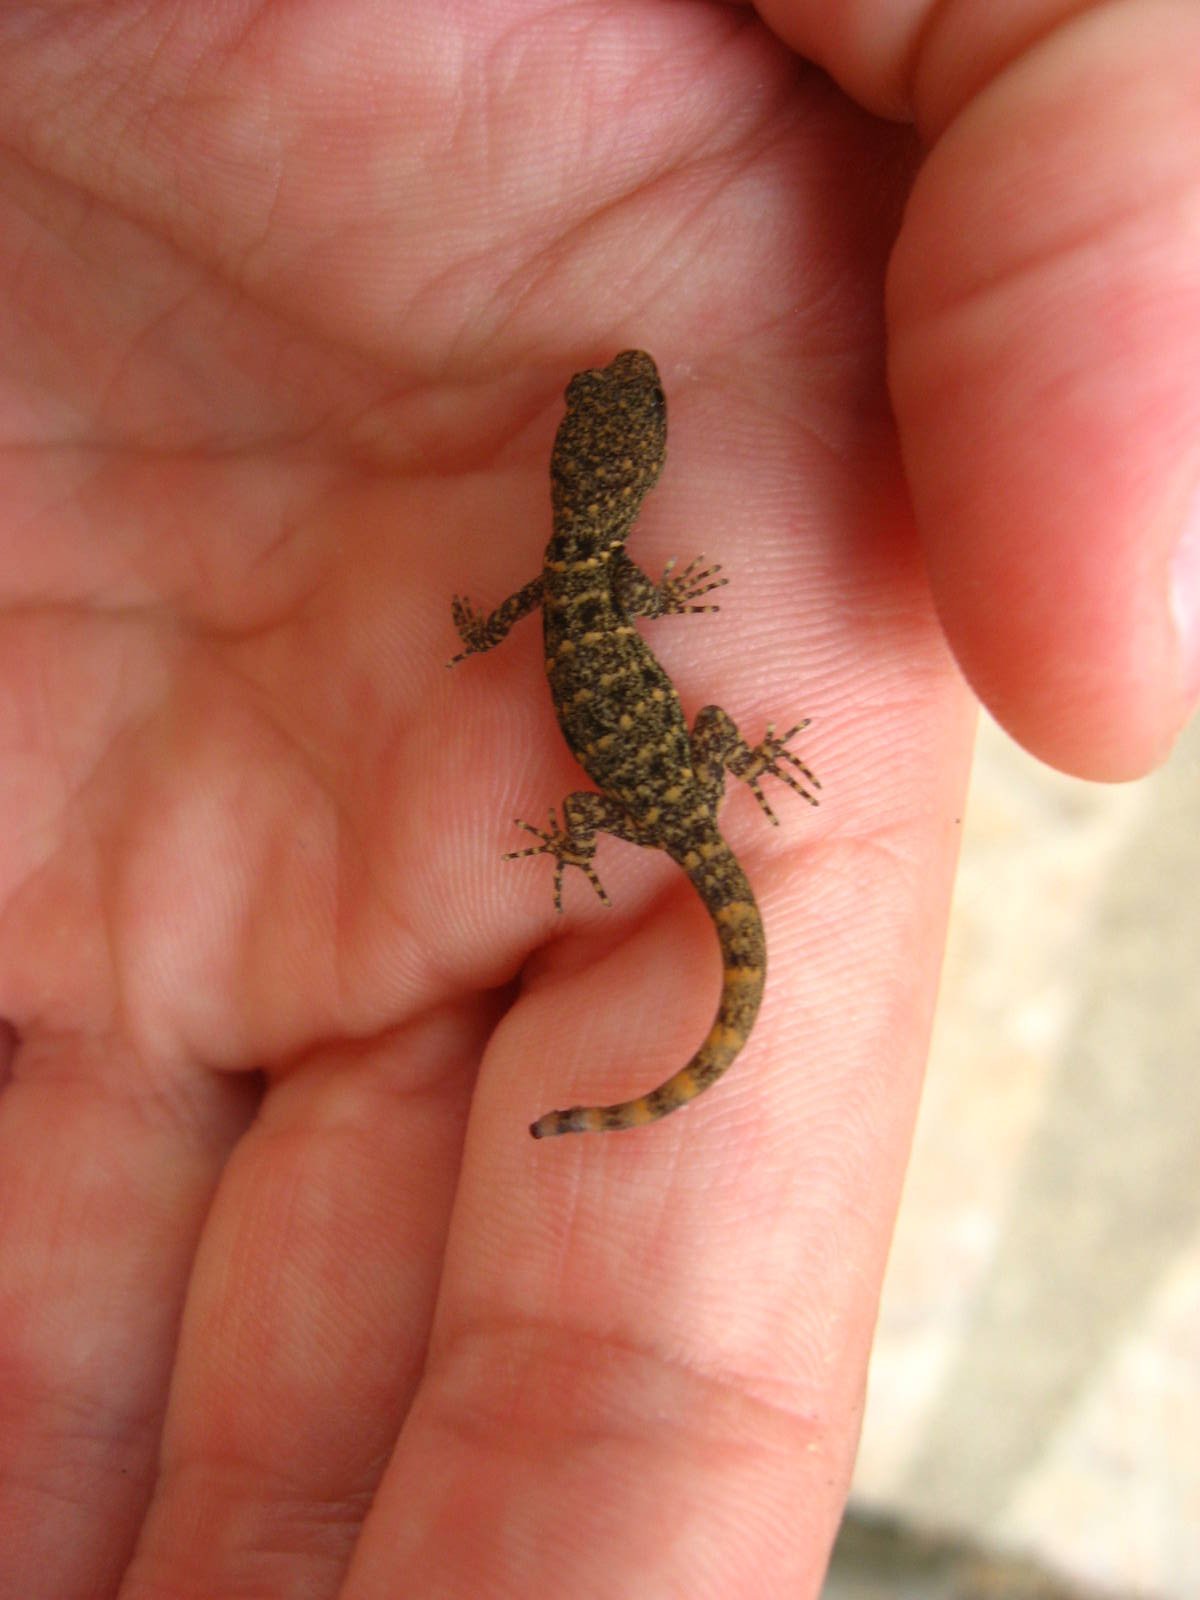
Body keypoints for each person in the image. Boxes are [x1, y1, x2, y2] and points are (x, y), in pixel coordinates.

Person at [0, 4, 1195, 1595]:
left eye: (618, 417)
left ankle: (651, 1072)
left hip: (643, 797)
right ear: (611, 475)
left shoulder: (574, 579)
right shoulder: (603, 584)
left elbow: (513, 623)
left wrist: (501, 652)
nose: (616, 412)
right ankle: (645, 1063)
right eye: (615, 423)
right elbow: (545, 624)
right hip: (647, 795)